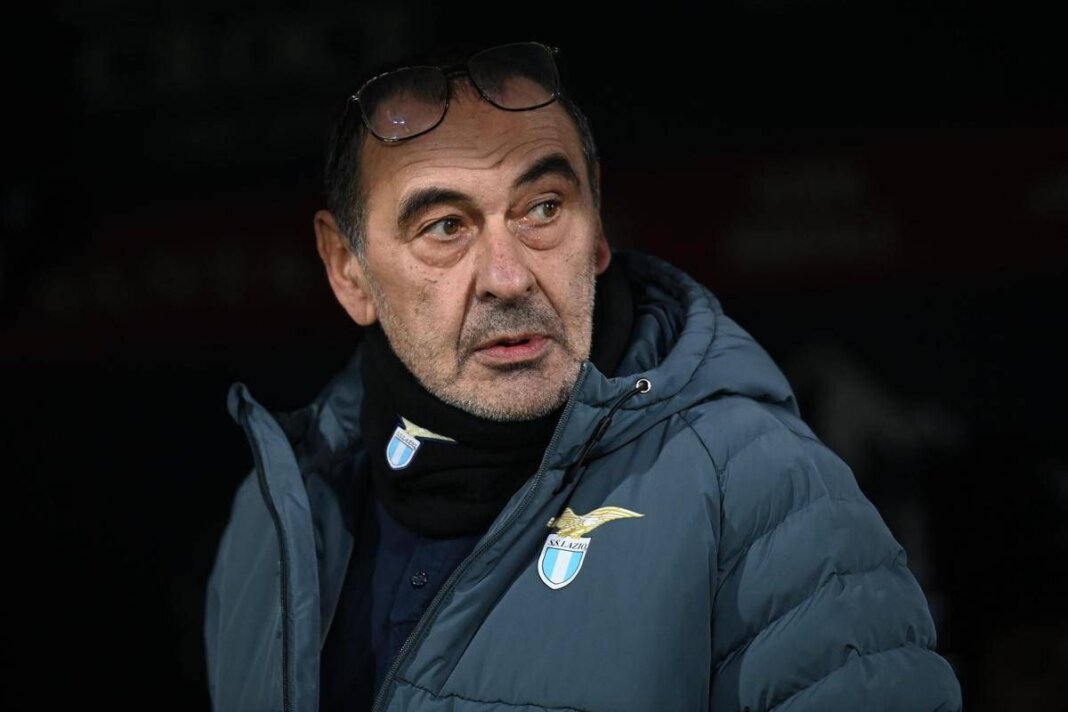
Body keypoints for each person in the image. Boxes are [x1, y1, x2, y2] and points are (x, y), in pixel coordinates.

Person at [203, 40, 962, 711]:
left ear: (596, 224)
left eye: (542, 208)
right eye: (445, 227)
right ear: (348, 269)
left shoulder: (762, 493)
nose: (507, 278)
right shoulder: (277, 518)